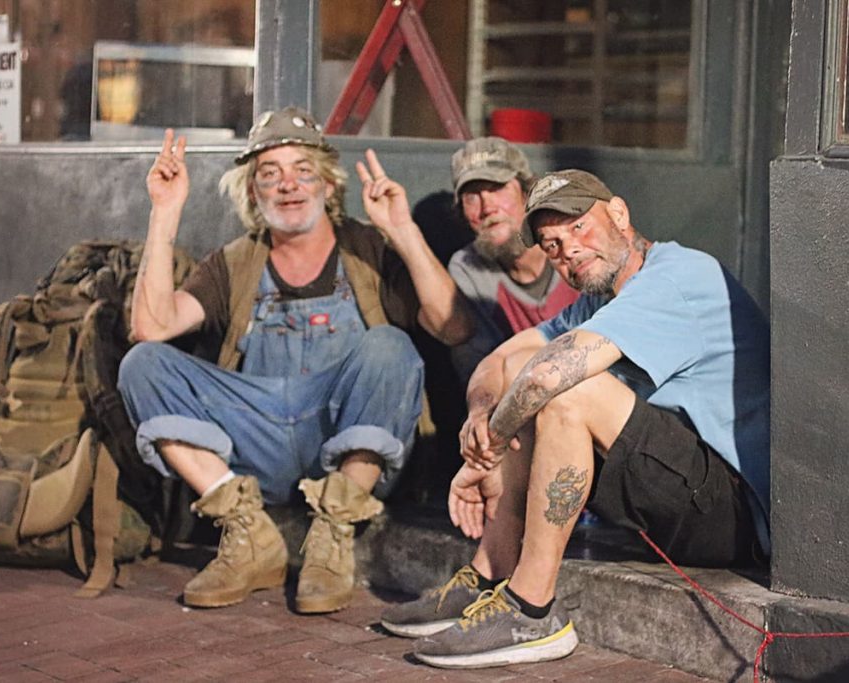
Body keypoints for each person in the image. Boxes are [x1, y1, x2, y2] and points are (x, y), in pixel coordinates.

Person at [381, 169, 771, 669]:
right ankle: (490, 571)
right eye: (551, 243)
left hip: (731, 509)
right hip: (674, 496)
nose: (566, 249)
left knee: (566, 388)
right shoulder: (596, 301)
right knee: (526, 377)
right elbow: (500, 362)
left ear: (620, 216)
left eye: (579, 228)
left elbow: (547, 379)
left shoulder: (678, 276)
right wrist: (481, 413)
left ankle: (531, 611)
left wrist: (486, 452)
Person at [117, 107, 471, 614]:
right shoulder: (235, 262)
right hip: (254, 443)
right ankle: (246, 530)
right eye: (269, 174)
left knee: (391, 347)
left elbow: (455, 328)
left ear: (329, 185)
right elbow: (150, 328)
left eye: (303, 170)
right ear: (253, 193)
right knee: (143, 364)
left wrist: (403, 231)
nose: (288, 185)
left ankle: (333, 534)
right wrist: (164, 212)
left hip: (345, 445)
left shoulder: (367, 250)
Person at [447, 137, 579, 382]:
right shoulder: (468, 268)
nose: (487, 207)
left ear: (527, 194)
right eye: (472, 197)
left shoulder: (574, 247)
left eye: (497, 188)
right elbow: (483, 370)